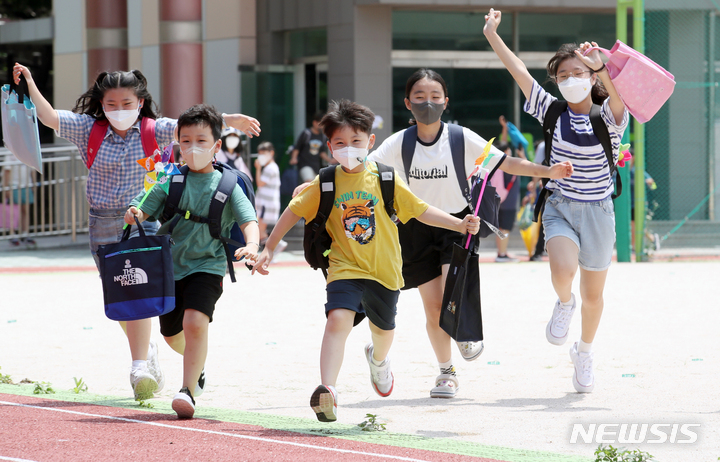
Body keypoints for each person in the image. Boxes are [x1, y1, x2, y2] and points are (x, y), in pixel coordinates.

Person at [12, 63, 261, 402]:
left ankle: (140, 365)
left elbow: (193, 126)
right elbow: (50, 117)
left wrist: (229, 120)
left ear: (140, 103)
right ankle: (148, 354)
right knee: (122, 296)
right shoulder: (89, 129)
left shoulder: (155, 130)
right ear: (101, 105)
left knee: (140, 290)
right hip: (102, 223)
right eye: (111, 104)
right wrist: (29, 83)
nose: (119, 110)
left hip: (146, 222)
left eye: (127, 103)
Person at [253, 99, 482, 422]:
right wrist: (269, 247)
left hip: (386, 272)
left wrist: (458, 224)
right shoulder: (326, 181)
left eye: (356, 142)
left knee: (383, 332)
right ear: (329, 146)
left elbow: (419, 209)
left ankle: (378, 359)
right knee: (337, 320)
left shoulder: (385, 178)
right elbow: (294, 210)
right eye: (340, 143)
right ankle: (327, 390)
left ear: (370, 142)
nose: (349, 149)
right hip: (344, 268)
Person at [367, 68, 574, 398]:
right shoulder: (398, 143)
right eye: (419, 97)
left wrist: (546, 171)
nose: (427, 103)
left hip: (459, 225)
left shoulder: (461, 138)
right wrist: (319, 185)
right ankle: (446, 373)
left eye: (435, 97)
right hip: (415, 228)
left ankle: (464, 330)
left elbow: (506, 163)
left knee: (456, 287)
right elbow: (362, 170)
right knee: (434, 308)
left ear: (445, 102)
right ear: (407, 103)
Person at [484, 8, 629, 393]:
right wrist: (492, 35)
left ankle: (584, 352)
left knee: (594, 296)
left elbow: (617, 100)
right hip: (561, 204)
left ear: (591, 77)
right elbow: (519, 72)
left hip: (598, 211)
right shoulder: (552, 111)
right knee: (563, 270)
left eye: (577, 72)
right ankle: (563, 304)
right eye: (562, 75)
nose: (569, 79)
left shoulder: (608, 118)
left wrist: (600, 68)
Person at [125, 104, 260, 419]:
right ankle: (196, 366)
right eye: (185, 141)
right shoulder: (170, 179)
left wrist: (252, 244)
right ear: (178, 144)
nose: (192, 148)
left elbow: (248, 220)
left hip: (208, 267)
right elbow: (144, 205)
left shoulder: (228, 185)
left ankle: (186, 391)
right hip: (170, 267)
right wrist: (135, 213)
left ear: (216, 146)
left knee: (195, 322)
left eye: (201, 140)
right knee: (172, 334)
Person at [254, 141, 287, 254]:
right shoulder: (272, 167)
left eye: (264, 153)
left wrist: (258, 168)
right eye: (260, 153)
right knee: (260, 229)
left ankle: (276, 246)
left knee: (260, 229)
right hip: (266, 204)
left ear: (271, 153)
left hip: (265, 204)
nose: (261, 156)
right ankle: (273, 248)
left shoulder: (270, 168)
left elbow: (259, 183)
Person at [492, 141, 521, 263]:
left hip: (497, 200)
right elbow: (522, 167)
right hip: (508, 202)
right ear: (505, 152)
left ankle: (501, 252)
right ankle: (502, 254)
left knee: (500, 228)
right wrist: (522, 156)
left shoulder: (494, 164)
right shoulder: (508, 165)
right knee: (505, 229)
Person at [290, 111, 333, 182]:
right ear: (314, 122)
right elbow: (297, 147)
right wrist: (294, 158)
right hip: (305, 165)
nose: (322, 126)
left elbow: (321, 152)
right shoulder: (306, 134)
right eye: (321, 124)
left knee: (314, 186)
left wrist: (330, 160)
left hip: (316, 167)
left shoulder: (322, 136)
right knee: (308, 181)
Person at [2, 164, 36, 247]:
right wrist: (6, 187)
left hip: (26, 184)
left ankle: (25, 233)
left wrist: (33, 183)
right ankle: (12, 234)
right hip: (13, 185)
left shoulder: (29, 152)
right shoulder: (11, 152)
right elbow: (6, 171)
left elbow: (33, 170)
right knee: (13, 212)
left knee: (25, 211)